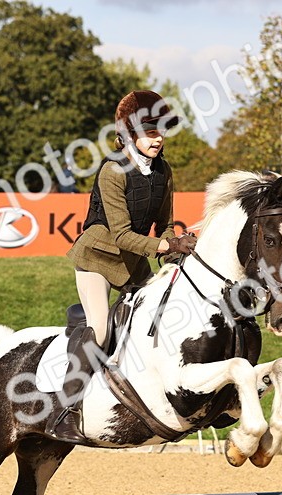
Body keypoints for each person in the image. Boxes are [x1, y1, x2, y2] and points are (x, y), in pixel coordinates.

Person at [51, 89, 194, 441]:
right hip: (98, 258)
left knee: (164, 316)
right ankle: (64, 411)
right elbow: (121, 235)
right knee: (100, 329)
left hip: (133, 262)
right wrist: (166, 245)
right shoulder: (112, 171)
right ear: (129, 134)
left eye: (161, 131)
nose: (158, 139)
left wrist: (177, 247)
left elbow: (164, 224)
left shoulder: (163, 171)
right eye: (150, 131)